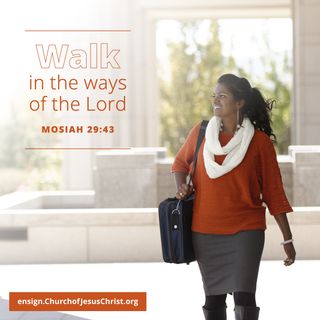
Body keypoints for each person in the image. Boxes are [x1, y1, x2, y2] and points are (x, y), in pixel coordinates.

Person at [171, 74, 296, 320]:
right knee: (213, 298)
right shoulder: (201, 133)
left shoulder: (259, 143)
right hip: (205, 231)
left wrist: (287, 238)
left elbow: (274, 192)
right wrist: (181, 188)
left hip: (245, 231)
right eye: (214, 95)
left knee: (245, 298)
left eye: (222, 96)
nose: (216, 100)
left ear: (239, 103)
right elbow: (179, 164)